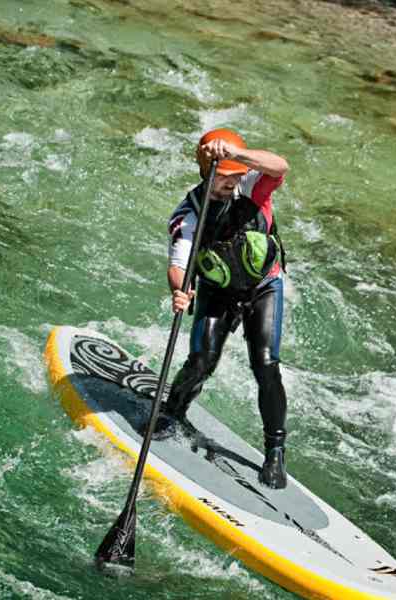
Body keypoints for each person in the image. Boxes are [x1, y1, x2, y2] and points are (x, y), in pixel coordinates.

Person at [157, 127, 291, 490]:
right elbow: (179, 264)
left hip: (263, 287)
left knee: (266, 364)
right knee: (202, 359)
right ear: (207, 171)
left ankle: (275, 451)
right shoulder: (189, 213)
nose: (231, 182)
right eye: (224, 177)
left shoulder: (252, 185)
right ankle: (172, 411)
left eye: (236, 175)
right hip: (217, 289)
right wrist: (180, 291)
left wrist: (238, 156)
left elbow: (280, 166)